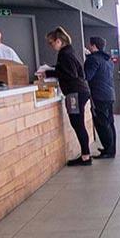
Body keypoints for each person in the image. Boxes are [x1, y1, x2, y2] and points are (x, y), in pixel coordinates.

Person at [40, 27, 92, 166]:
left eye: (51, 43)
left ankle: (86, 156)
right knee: (78, 123)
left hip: (74, 92)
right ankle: (85, 154)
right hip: (80, 91)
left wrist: (50, 73)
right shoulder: (70, 51)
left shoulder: (65, 54)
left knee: (77, 124)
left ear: (58, 41)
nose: (51, 46)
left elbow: (71, 74)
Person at [85, 36, 116, 159]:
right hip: (109, 93)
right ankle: (111, 148)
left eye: (90, 45)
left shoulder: (93, 59)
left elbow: (87, 76)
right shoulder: (108, 60)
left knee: (102, 123)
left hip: (99, 95)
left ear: (93, 46)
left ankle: (108, 151)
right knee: (110, 122)